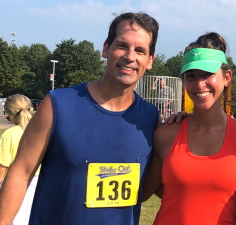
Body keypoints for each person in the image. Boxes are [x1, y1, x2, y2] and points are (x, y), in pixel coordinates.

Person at [0, 12, 160, 225]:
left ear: (150, 60)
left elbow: (147, 191)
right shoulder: (58, 104)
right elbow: (20, 172)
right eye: (122, 45)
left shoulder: (151, 119)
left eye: (140, 50)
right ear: (106, 48)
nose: (130, 57)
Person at [143, 32, 236, 225]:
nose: (199, 84)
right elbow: (144, 193)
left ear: (227, 77)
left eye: (207, 74)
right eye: (191, 76)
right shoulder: (166, 134)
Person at [0, 94, 39, 225]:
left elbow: (2, 169)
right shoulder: (43, 132)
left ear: (10, 114)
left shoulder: (9, 135)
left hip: (15, 187)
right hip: (43, 185)